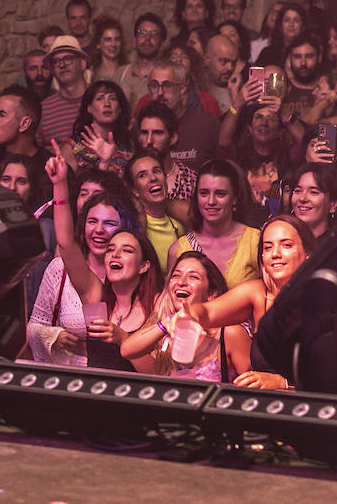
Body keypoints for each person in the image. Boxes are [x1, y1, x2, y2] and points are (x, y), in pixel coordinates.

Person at [47, 150, 161, 372]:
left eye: (126, 250)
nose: (115, 255)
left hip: (137, 400)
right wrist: (60, 183)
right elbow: (66, 243)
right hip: (96, 396)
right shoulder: (97, 299)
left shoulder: (157, 305)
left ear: (144, 265)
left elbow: (160, 373)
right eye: (111, 250)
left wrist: (123, 339)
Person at [183, 214, 317, 389]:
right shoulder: (258, 293)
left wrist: (282, 382)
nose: (275, 254)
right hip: (264, 406)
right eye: (268, 248)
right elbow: (207, 312)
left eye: (286, 245)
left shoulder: (323, 298)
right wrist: (187, 317)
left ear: (307, 253)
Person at [26, 180, 140, 367]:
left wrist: (121, 340)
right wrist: (54, 337)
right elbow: (33, 327)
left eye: (109, 223)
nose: (99, 230)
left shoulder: (135, 281)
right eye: (92, 221)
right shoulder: (61, 270)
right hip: (66, 378)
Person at [119, 251, 252, 381]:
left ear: (212, 293)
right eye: (176, 276)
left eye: (193, 277)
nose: (181, 282)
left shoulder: (230, 334)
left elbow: (251, 390)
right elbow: (127, 351)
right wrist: (167, 322)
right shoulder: (169, 327)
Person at [166, 158, 261, 288]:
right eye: (204, 193)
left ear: (234, 198)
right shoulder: (178, 250)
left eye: (220, 194)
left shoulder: (255, 241)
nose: (211, 201)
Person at [39, 35, 91, 146]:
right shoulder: (44, 109)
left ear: (82, 63)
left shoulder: (99, 101)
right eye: (56, 61)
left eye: (68, 59)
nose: (62, 65)